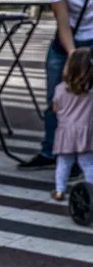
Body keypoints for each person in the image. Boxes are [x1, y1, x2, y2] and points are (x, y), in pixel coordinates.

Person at [20, 0, 93, 171]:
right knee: (56, 98)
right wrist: (72, 56)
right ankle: (50, 151)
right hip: (66, 39)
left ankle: (82, 156)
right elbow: (61, 18)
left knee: (87, 102)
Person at [48, 48, 93, 200]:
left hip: (65, 132)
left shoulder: (60, 89)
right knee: (87, 163)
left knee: (63, 163)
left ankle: (59, 191)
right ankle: (90, 191)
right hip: (86, 132)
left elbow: (55, 108)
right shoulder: (90, 91)